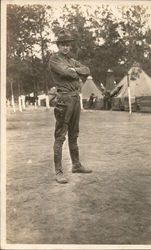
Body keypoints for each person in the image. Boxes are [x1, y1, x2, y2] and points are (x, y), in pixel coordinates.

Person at [49, 29, 92, 184]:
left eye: (67, 45)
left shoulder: (71, 60)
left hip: (75, 99)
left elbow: (87, 70)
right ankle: (58, 172)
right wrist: (75, 72)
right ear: (58, 45)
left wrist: (75, 70)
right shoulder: (54, 60)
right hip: (64, 100)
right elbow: (68, 74)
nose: (65, 47)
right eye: (62, 44)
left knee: (74, 134)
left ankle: (76, 165)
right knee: (60, 136)